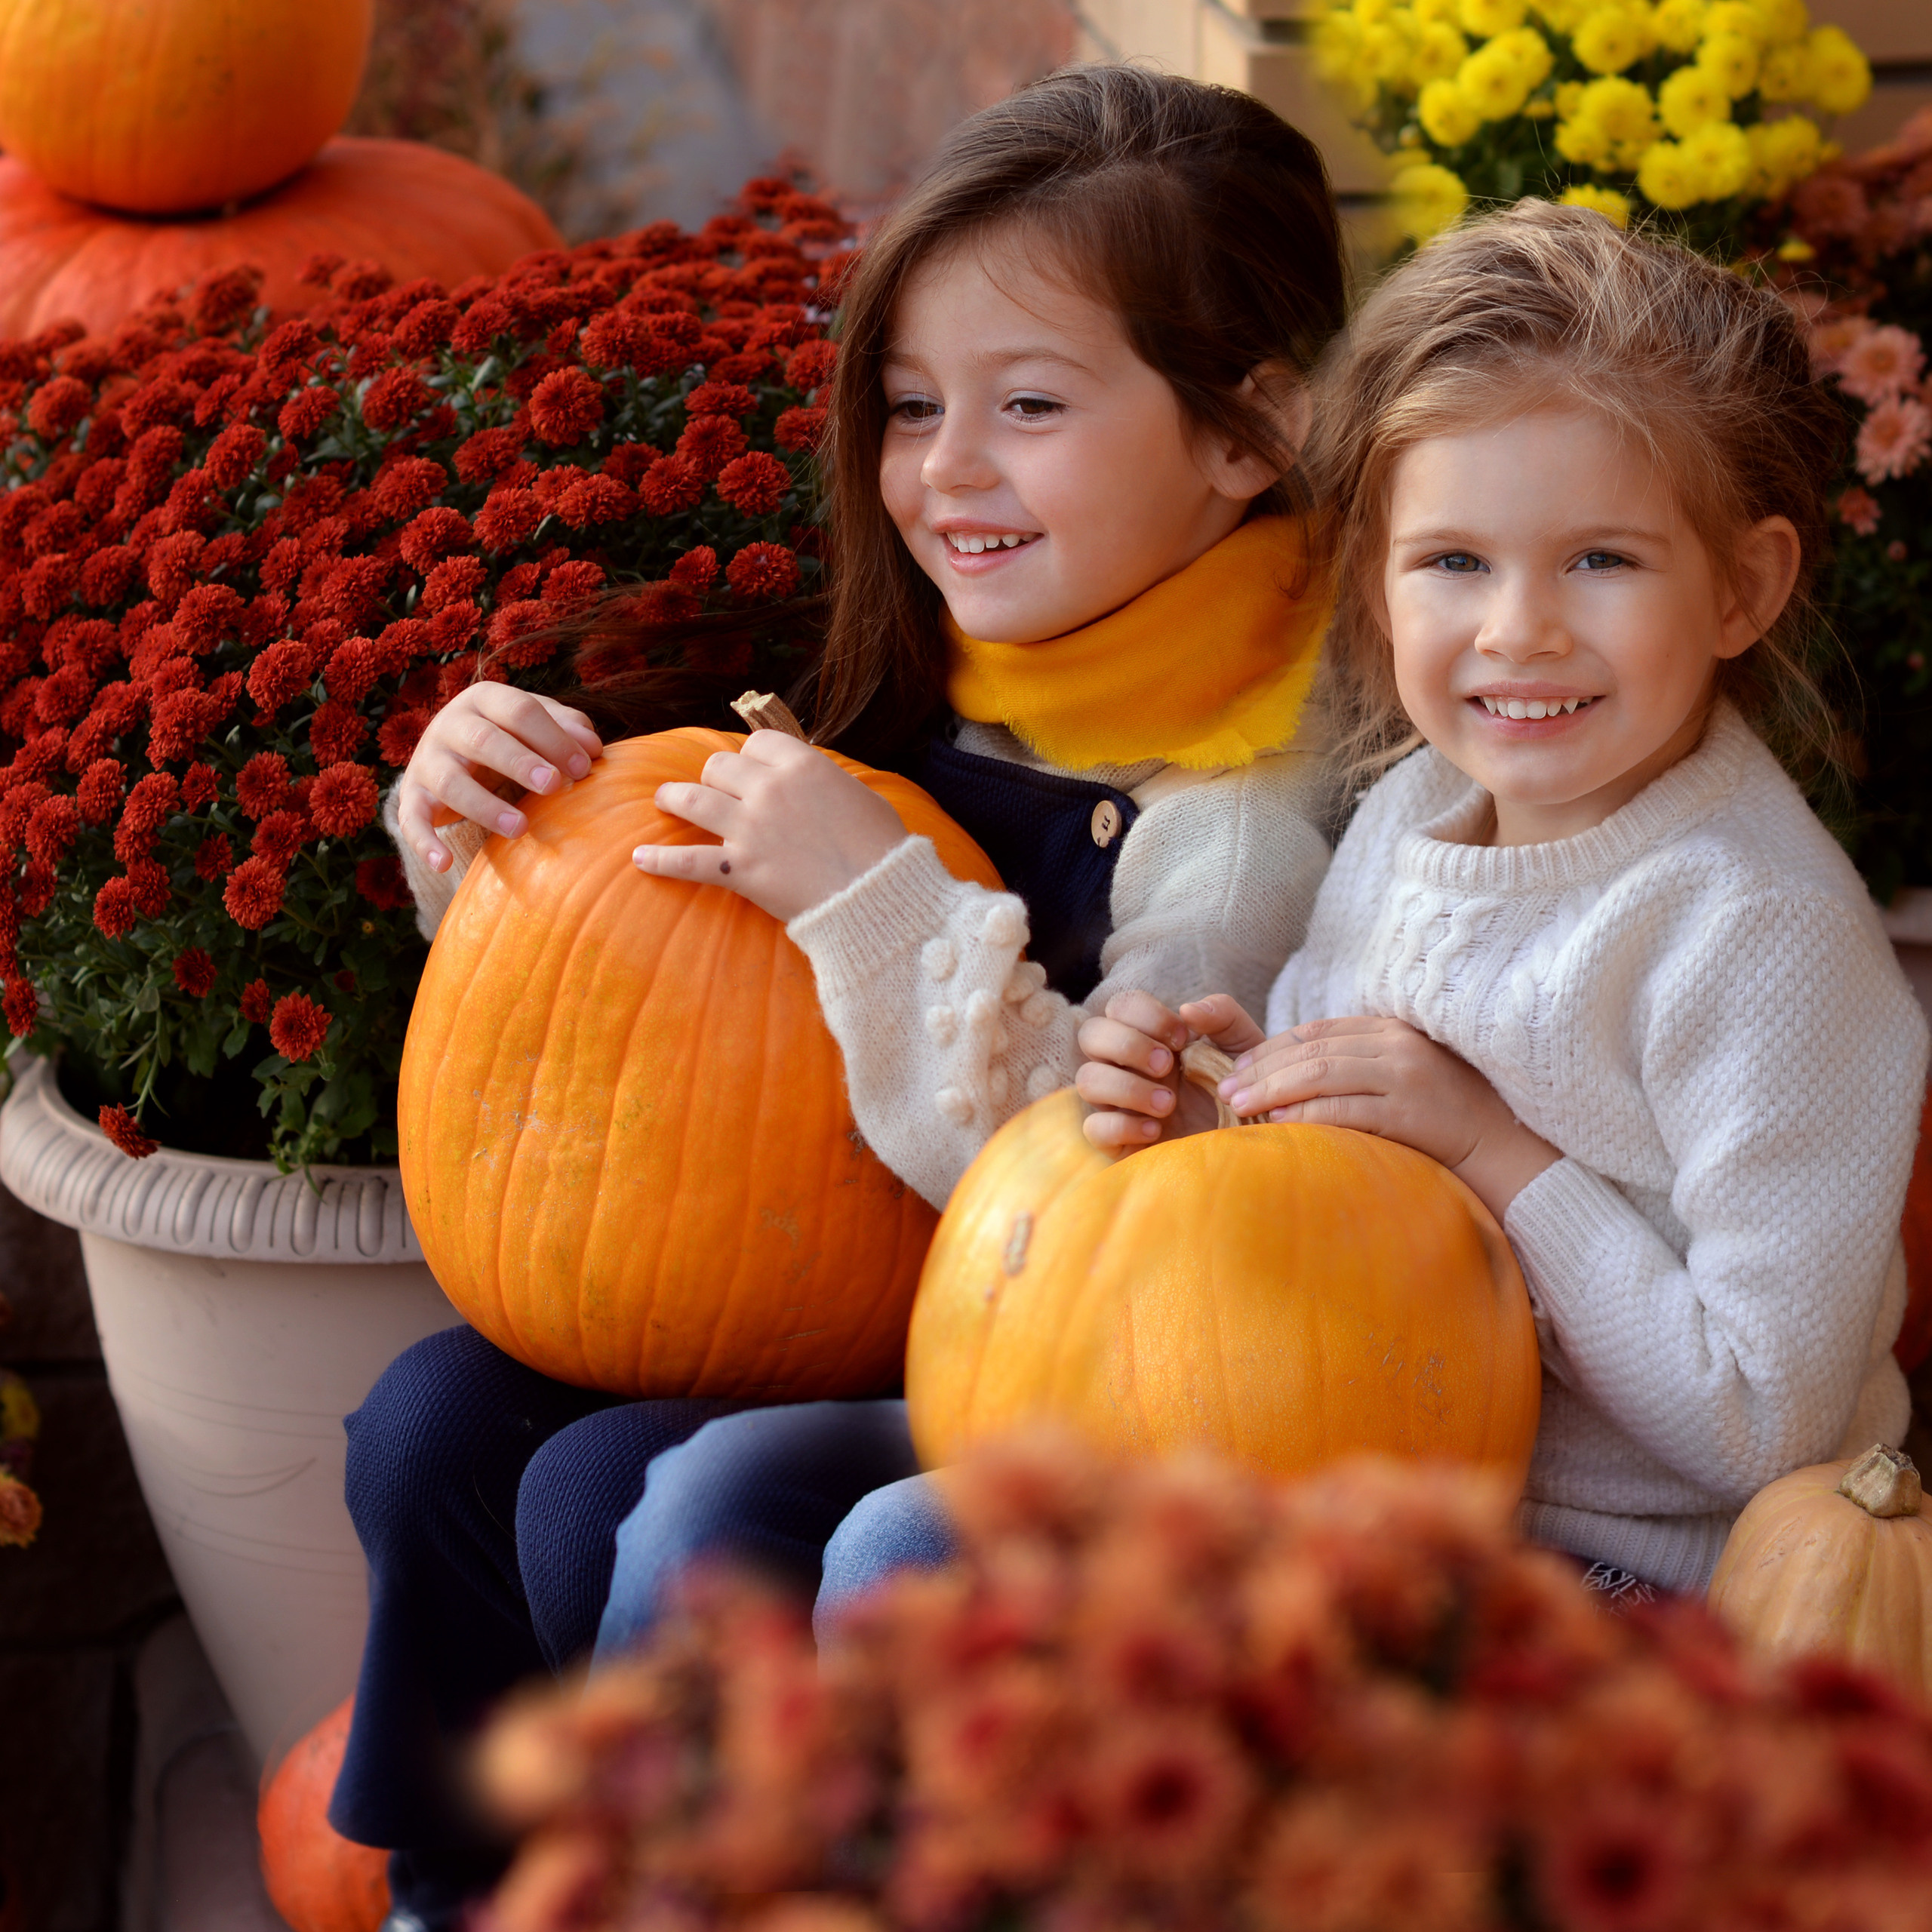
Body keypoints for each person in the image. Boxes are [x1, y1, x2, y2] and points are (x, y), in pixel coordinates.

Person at [335, 65, 1347, 1930]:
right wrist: (473, 825)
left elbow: (1112, 1205)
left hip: (997, 1353)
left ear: (1244, 434)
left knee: (609, 1505)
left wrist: (876, 904)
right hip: (773, 1270)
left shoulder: (1236, 820)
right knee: (430, 1425)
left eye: (1027, 407)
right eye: (907, 406)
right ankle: (449, 1886)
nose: (943, 467)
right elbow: (632, 998)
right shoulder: (923, 670)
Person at [1068, 200, 1927, 1606]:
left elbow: (1763, 1420)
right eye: (1456, 562)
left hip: (1630, 1580)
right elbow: (1336, 1140)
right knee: (717, 1494)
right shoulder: (1412, 812)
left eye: (1601, 559)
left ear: (1742, 588)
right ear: (1378, 588)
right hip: (1358, 1465)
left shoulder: (1753, 935)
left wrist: (1496, 1151)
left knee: (931, 1566)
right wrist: (1210, 1121)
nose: (1518, 627)